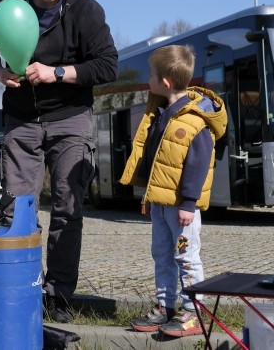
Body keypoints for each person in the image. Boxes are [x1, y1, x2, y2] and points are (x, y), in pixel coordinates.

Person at [0, 0, 118, 323]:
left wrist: (58, 72)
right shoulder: (9, 2)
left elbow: (107, 66)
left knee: (67, 209)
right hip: (21, 119)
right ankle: (23, 291)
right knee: (18, 209)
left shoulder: (86, 10)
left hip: (70, 117)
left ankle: (58, 295)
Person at [119, 45, 227, 337]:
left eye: (151, 74)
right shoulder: (161, 114)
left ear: (165, 81)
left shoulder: (193, 121)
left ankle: (194, 313)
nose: (148, 79)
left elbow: (198, 164)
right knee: (162, 254)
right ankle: (165, 306)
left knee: (186, 257)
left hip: (182, 210)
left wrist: (188, 203)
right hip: (160, 204)